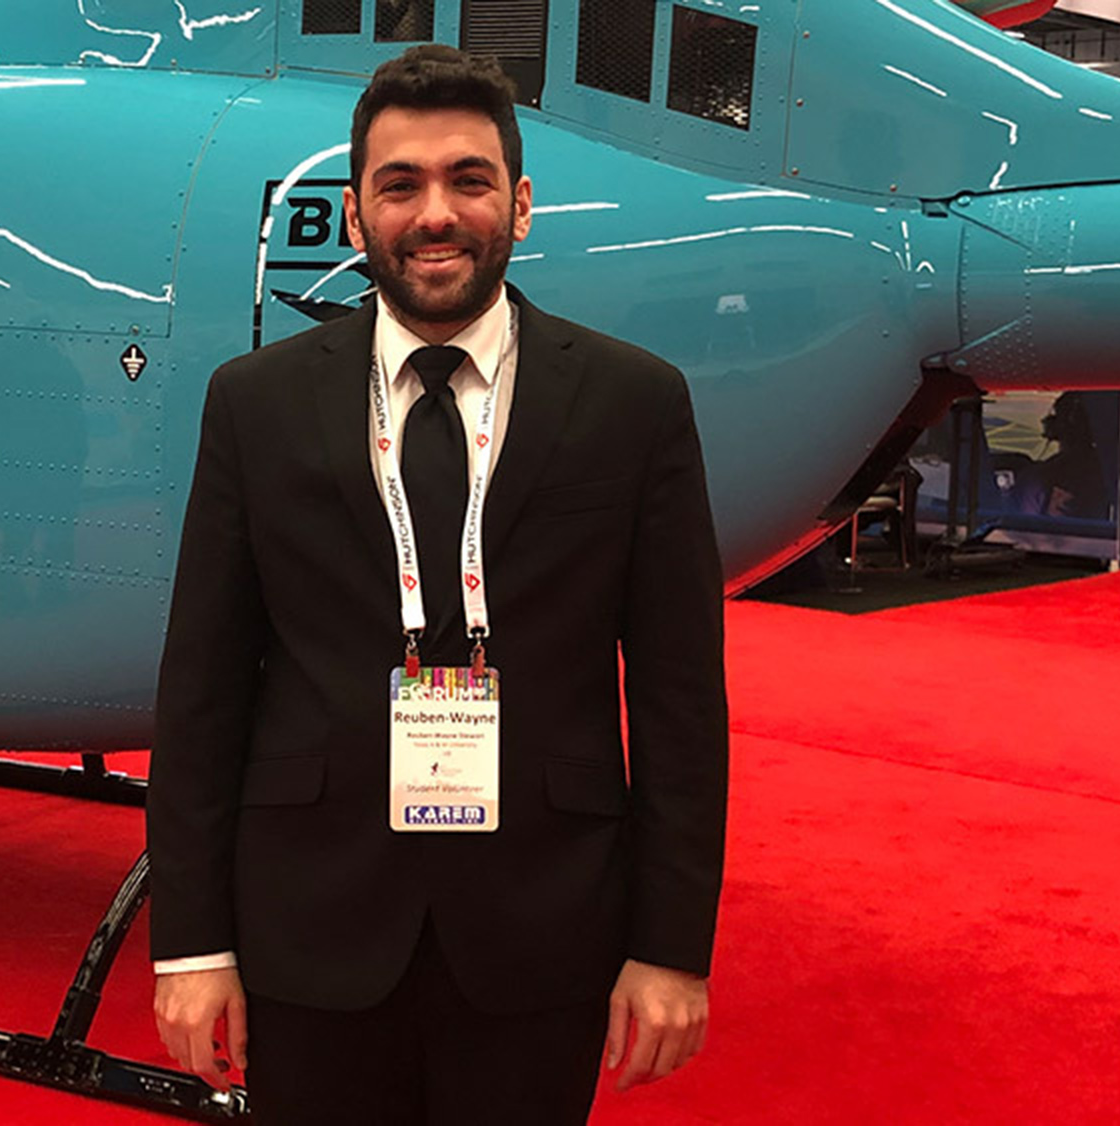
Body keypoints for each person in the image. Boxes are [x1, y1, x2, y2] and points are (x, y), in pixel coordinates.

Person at [148, 44, 729, 1125]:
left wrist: (669, 947)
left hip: (545, 926)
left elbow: (679, 699)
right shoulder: (255, 404)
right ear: (357, 216)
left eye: (466, 180)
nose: (434, 214)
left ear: (516, 201)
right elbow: (202, 687)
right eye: (399, 185)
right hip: (308, 922)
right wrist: (189, 940)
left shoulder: (632, 403)